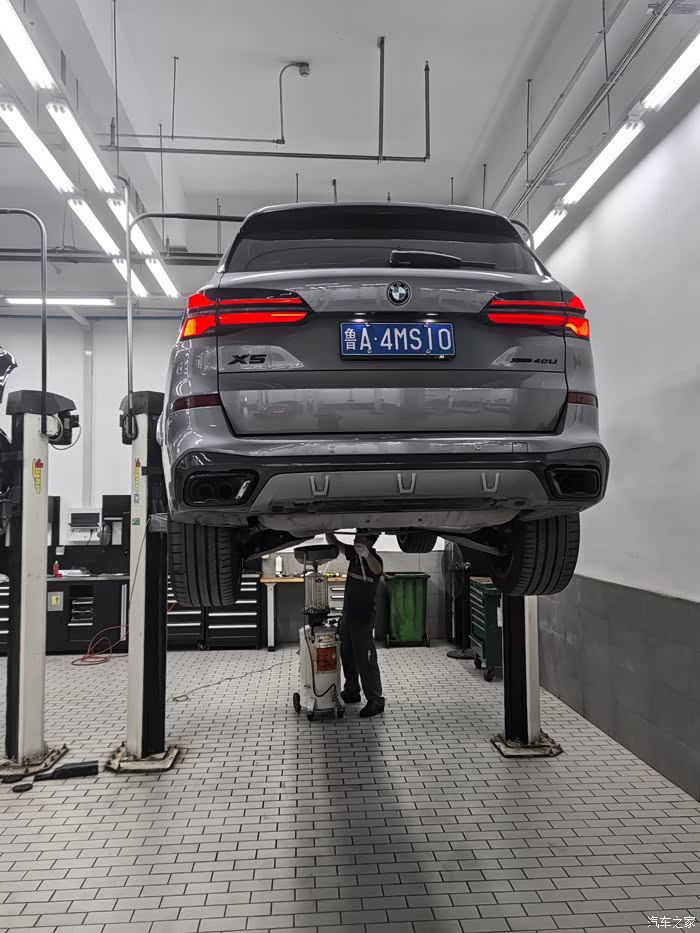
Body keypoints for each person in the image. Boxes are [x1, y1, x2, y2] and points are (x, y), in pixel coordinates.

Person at [326, 531, 385, 718]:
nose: (355, 538)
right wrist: (328, 529)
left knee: (365, 660)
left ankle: (376, 700)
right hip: (348, 617)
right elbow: (335, 543)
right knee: (347, 655)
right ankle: (352, 691)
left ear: (369, 541)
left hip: (363, 619)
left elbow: (377, 570)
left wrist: (366, 554)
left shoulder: (375, 560)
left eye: (360, 536)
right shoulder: (353, 554)